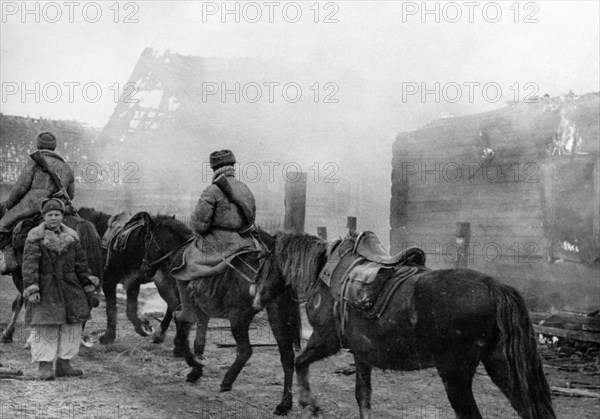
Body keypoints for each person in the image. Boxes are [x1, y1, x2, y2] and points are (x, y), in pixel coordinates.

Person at [174, 150, 257, 322]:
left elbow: (199, 225)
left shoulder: (212, 191)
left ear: (214, 168)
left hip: (218, 243)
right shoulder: (246, 189)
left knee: (182, 263)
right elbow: (251, 219)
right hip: (244, 243)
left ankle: (188, 312)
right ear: (232, 166)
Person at [22, 198, 99, 380]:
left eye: (57, 214)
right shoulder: (35, 238)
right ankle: (44, 367)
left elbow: (81, 263)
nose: (54, 218)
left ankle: (64, 365)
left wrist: (87, 284)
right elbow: (29, 265)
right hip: (47, 288)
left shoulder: (72, 237)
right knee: (45, 327)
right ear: (44, 217)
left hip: (70, 288)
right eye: (50, 215)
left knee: (72, 327)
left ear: (62, 216)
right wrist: (32, 289)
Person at [0, 132, 75, 274]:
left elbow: (20, 188)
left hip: (32, 206)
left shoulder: (34, 162)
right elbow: (70, 194)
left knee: (2, 225)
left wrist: (10, 204)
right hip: (57, 206)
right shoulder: (67, 167)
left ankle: (9, 262)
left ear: (38, 144)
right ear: (54, 146)